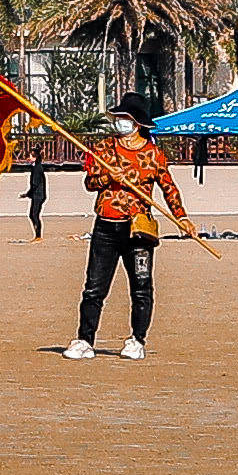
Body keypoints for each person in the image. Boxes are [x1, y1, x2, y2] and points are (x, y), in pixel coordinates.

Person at [68, 118, 171, 360]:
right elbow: (90, 183)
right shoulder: (104, 149)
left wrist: (183, 218)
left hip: (138, 231)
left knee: (141, 288)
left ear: (137, 123)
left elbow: (169, 187)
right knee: (94, 288)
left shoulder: (153, 154)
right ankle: (85, 340)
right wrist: (108, 178)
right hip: (105, 228)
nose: (119, 123)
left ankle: (137, 339)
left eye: (125, 118)